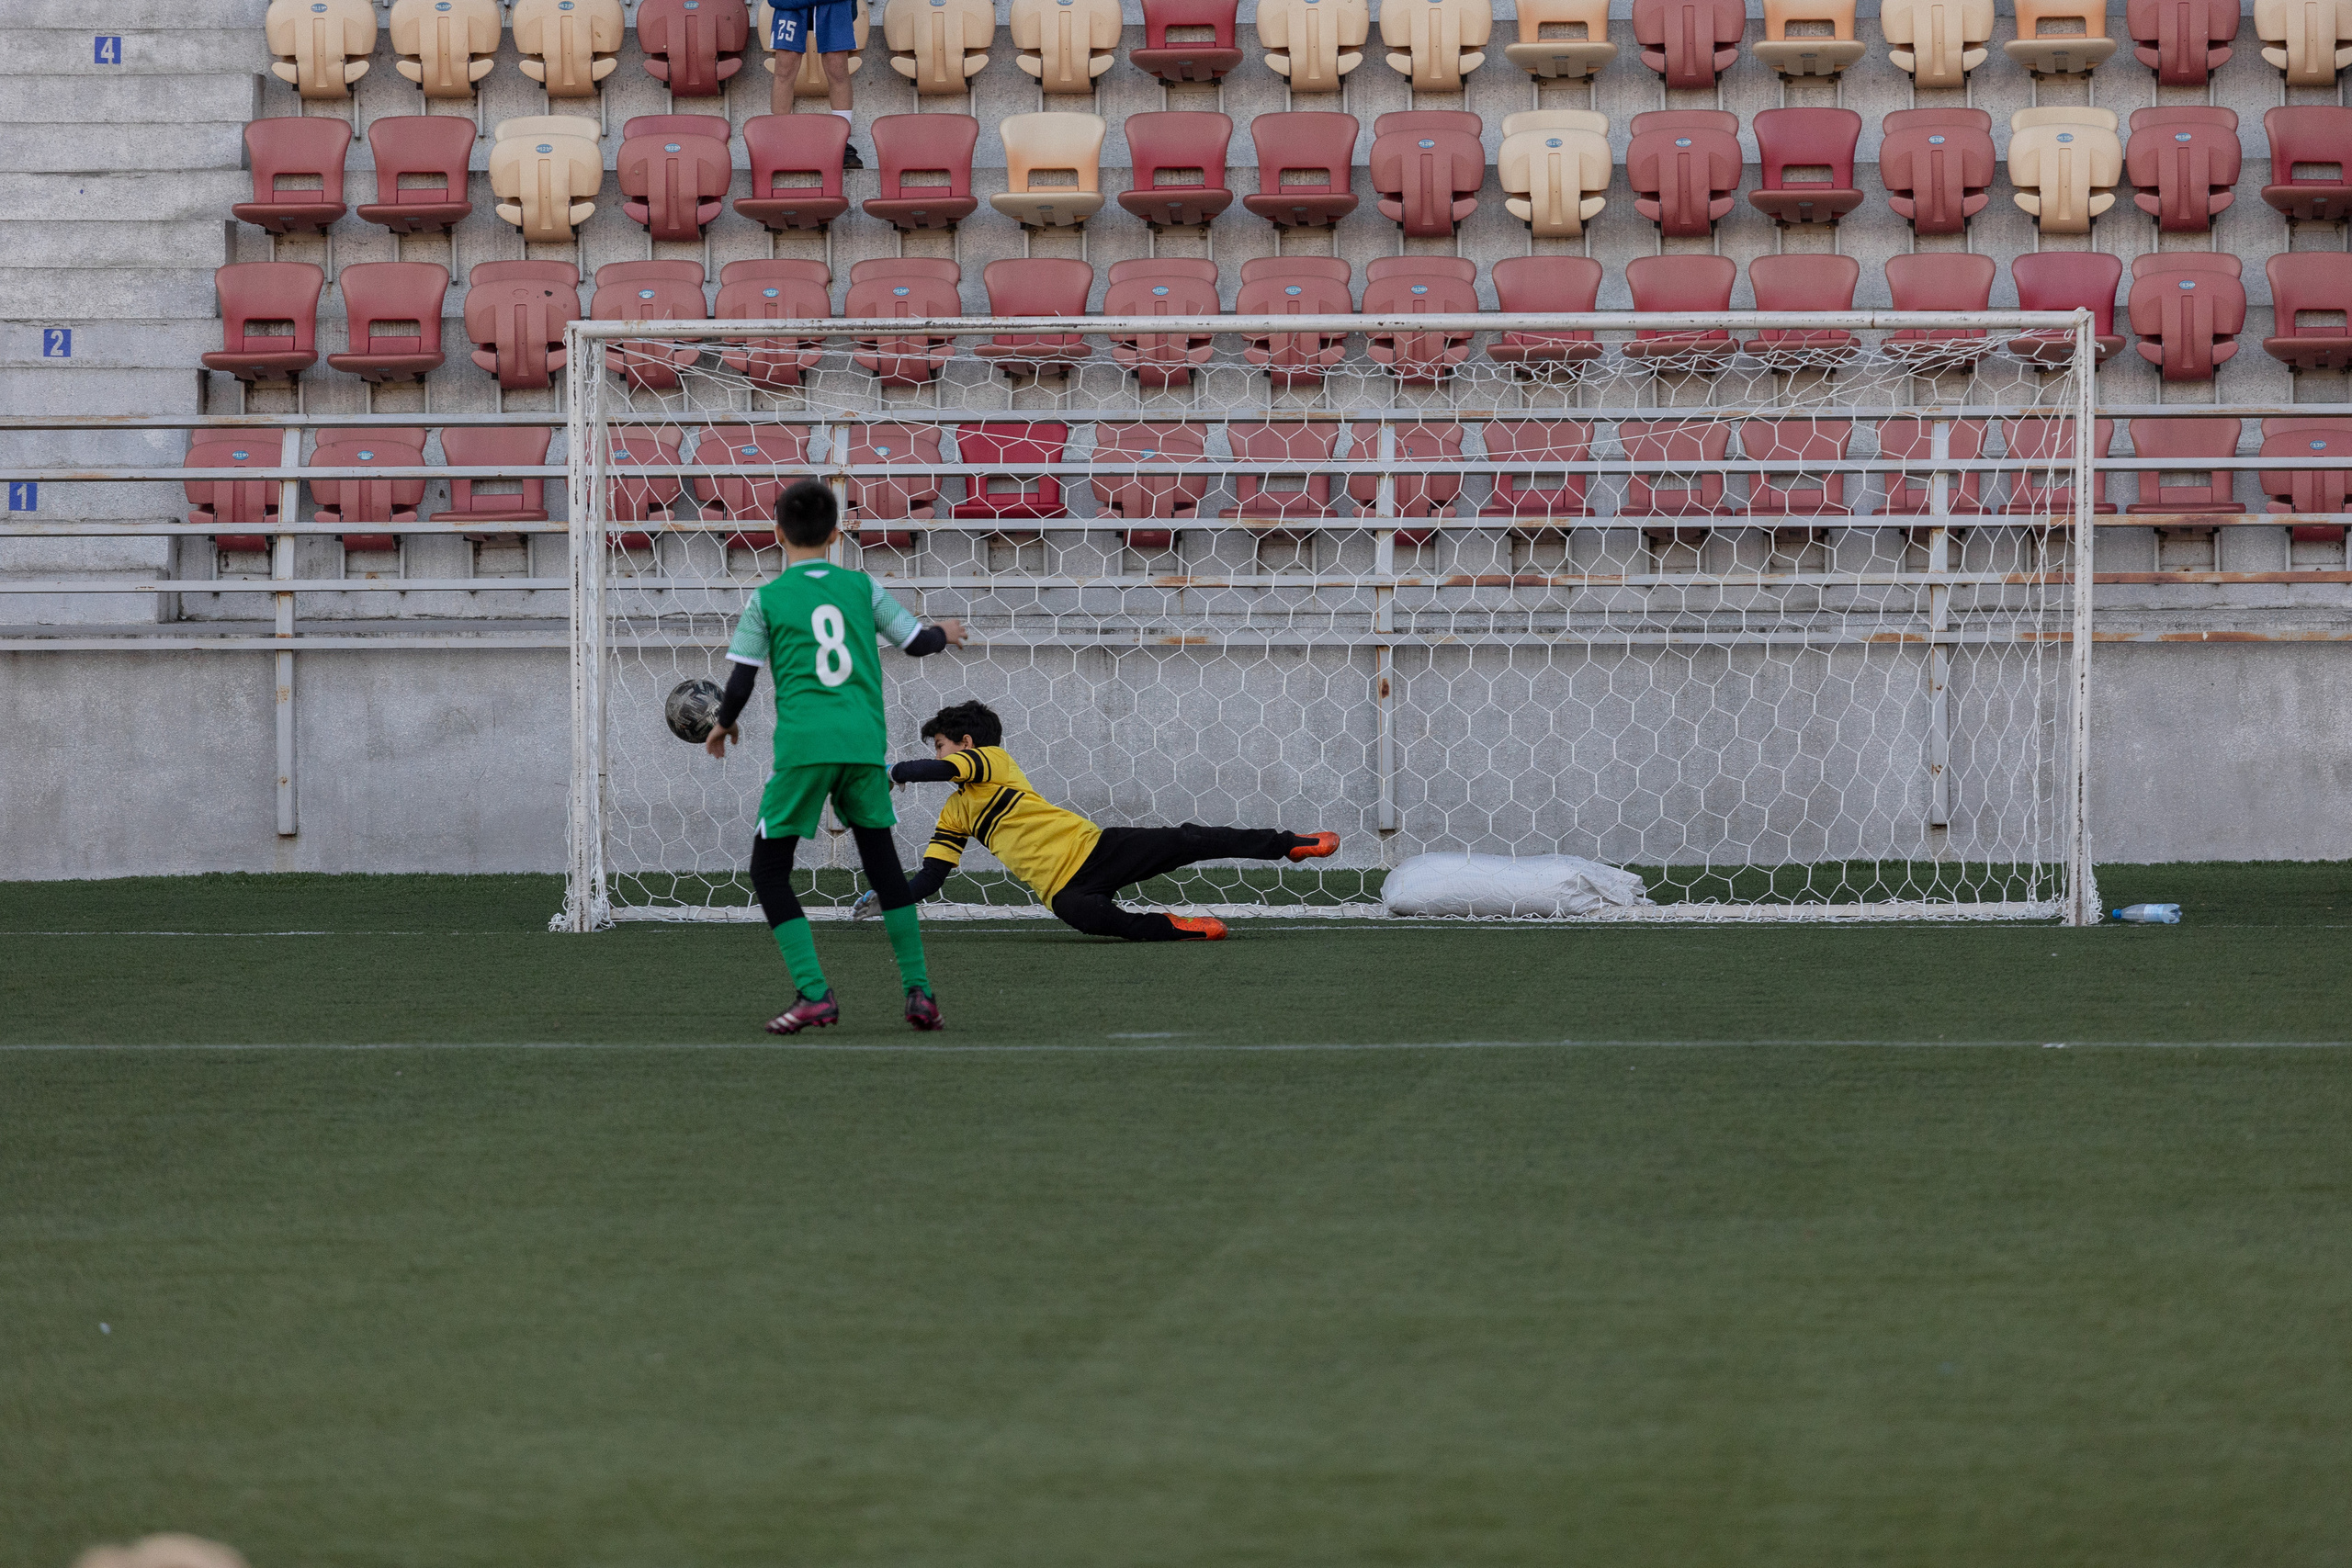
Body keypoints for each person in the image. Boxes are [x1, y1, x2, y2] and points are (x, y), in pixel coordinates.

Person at [705, 479, 966, 1032]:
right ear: (836, 532)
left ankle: (815, 993)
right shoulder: (860, 586)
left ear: (777, 532)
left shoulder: (768, 598)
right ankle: (920, 993)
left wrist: (723, 727)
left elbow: (742, 679)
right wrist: (944, 631)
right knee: (884, 865)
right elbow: (917, 643)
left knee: (769, 869)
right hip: (862, 745)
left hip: (804, 749)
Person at [856, 701, 1339, 942]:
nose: (936, 755)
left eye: (938, 744)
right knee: (1096, 922)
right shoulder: (955, 811)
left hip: (1096, 849)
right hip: (1063, 892)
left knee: (1189, 839)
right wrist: (890, 896)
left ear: (965, 743)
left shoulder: (992, 762)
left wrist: (892, 772)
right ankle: (1182, 928)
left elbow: (939, 769)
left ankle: (1290, 843)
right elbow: (933, 876)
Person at [767, 0, 865, 168]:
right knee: (784, 69)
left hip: (833, 7)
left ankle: (841, 141)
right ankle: (781, 142)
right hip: (793, 5)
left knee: (838, 69)